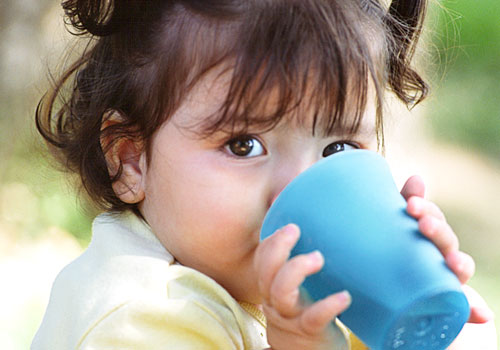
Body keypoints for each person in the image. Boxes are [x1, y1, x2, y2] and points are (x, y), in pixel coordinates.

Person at [32, 0, 496, 349]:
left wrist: (406, 297)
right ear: (131, 159)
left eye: (337, 149)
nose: (294, 187)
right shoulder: (138, 320)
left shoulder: (270, 287)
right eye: (243, 145)